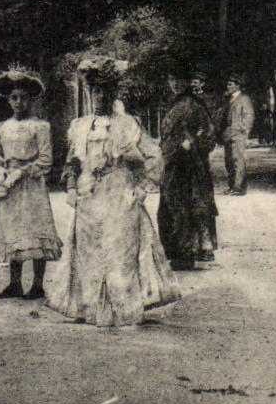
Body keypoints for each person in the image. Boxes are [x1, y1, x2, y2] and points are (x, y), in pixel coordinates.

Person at [48, 57, 179, 327]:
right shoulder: (80, 125)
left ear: (114, 92)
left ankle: (124, 310)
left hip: (120, 193)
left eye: (106, 90)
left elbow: (154, 156)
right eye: (95, 90)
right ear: (89, 92)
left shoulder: (128, 123)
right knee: (89, 252)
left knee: (120, 251)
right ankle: (92, 310)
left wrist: (142, 187)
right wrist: (71, 186)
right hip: (89, 195)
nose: (100, 96)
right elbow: (72, 162)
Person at [0, 69, 62, 300]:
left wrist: (23, 171)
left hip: (31, 185)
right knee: (13, 231)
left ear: (31, 100)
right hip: (9, 186)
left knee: (35, 231)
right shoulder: (3, 127)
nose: (19, 102)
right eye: (14, 98)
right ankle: (14, 283)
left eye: (24, 98)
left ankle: (37, 284)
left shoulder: (40, 126)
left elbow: (46, 159)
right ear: (9, 101)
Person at [158, 70, 218, 270]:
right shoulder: (172, 104)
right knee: (173, 206)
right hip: (173, 163)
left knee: (188, 206)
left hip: (190, 166)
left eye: (179, 79)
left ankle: (187, 253)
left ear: (186, 82)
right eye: (171, 78)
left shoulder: (195, 105)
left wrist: (191, 143)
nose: (174, 83)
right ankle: (178, 251)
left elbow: (209, 136)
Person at [221, 75, 255, 196]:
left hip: (238, 134)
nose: (228, 86)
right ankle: (232, 186)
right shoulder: (229, 99)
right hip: (228, 134)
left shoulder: (244, 99)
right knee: (229, 161)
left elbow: (249, 117)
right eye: (227, 84)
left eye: (230, 84)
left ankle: (238, 188)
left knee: (238, 161)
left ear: (238, 86)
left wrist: (244, 131)